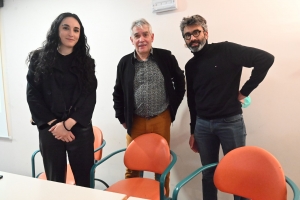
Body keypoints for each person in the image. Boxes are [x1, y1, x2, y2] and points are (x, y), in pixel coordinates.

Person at [180, 15, 274, 200]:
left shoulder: (226, 50)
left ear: (205, 33)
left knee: (238, 173)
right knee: (208, 175)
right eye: (187, 35)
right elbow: (192, 99)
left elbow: (265, 59)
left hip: (230, 123)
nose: (192, 38)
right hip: (203, 127)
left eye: (196, 32)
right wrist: (193, 131)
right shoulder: (190, 66)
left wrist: (244, 92)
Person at [113, 18, 185, 196]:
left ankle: (162, 196)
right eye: (137, 36)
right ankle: (133, 197)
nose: (141, 39)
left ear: (152, 37)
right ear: (132, 40)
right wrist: (122, 118)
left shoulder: (166, 57)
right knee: (132, 166)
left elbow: (180, 82)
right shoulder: (124, 63)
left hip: (161, 118)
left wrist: (172, 107)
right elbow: (118, 92)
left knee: (162, 165)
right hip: (134, 121)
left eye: (145, 34)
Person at [26, 12, 97, 187]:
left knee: (84, 182)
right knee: (54, 182)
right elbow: (33, 95)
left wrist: (66, 125)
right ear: (56, 30)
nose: (71, 33)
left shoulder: (86, 63)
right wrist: (55, 124)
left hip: (78, 129)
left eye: (76, 30)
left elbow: (89, 98)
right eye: (66, 28)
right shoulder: (38, 59)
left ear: (80, 35)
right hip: (51, 129)